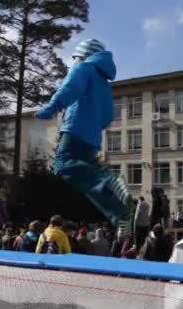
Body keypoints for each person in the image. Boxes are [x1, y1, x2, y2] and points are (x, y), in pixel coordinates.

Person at [35, 39, 134, 241]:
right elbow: (107, 116)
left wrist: (51, 107)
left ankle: (111, 180)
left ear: (84, 55)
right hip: (92, 138)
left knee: (62, 165)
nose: (75, 61)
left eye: (77, 57)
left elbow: (70, 88)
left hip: (75, 129)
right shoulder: (104, 83)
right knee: (88, 183)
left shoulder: (83, 68)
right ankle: (119, 214)